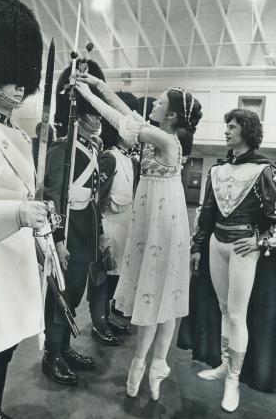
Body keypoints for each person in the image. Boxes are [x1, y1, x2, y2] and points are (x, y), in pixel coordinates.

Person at [75, 75, 202, 401]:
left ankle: (154, 363)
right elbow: (126, 112)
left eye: (159, 103)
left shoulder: (166, 141)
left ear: (171, 116)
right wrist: (98, 85)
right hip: (152, 219)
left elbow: (120, 118)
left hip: (165, 223)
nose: (153, 105)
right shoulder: (158, 133)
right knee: (153, 294)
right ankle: (143, 362)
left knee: (165, 296)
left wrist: (88, 94)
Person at [177, 109, 276, 413]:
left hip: (243, 250)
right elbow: (207, 211)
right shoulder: (217, 170)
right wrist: (197, 247)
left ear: (246, 131)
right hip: (216, 244)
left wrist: (261, 240)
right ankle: (224, 364)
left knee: (236, 314)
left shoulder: (264, 171)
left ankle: (233, 378)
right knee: (223, 310)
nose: (226, 131)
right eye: (226, 127)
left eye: (231, 127)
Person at [0, 0, 46, 419]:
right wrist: (18, 213)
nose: (22, 85)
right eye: (13, 74)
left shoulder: (18, 135)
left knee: (2, 356)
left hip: (13, 269)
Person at [42, 60, 115, 385]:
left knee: (75, 294)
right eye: (90, 111)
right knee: (63, 295)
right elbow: (53, 197)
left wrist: (99, 233)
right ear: (79, 113)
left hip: (85, 230)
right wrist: (57, 239)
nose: (96, 118)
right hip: (68, 232)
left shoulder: (91, 146)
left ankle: (65, 347)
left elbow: (96, 196)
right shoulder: (62, 148)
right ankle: (51, 355)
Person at [91, 91, 140, 341]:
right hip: (109, 231)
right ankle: (99, 325)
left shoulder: (129, 160)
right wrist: (102, 239)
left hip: (124, 231)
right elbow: (96, 202)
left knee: (112, 282)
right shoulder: (109, 159)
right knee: (101, 282)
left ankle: (107, 317)